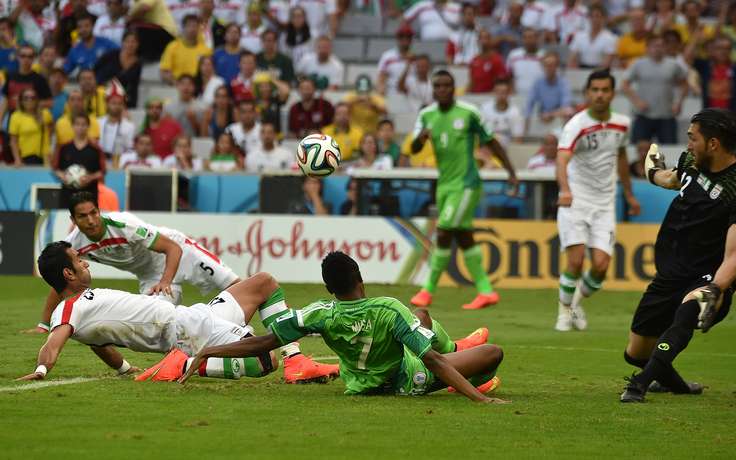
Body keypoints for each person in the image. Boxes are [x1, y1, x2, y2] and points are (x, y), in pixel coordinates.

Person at [180, 252, 507, 403]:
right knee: (491, 354)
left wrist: (210, 350)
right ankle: (460, 363)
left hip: (359, 384)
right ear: (360, 280)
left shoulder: (320, 313)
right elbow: (431, 362)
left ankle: (455, 350)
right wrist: (479, 400)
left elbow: (263, 342)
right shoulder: (387, 309)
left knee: (420, 317)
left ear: (329, 289)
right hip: (407, 379)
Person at [20, 239, 337, 384]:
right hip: (187, 332)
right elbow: (54, 340)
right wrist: (42, 369)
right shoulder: (69, 309)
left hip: (190, 316)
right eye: (79, 261)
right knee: (264, 360)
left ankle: (296, 362)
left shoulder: (83, 309)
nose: (85, 262)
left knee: (264, 283)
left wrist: (123, 369)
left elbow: (100, 344)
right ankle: (183, 363)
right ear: (68, 275)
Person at [620, 109, 736, 403]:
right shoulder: (691, 163)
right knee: (635, 353)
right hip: (671, 271)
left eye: (692, 138)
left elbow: (734, 257)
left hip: (708, 275)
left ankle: (639, 386)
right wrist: (651, 170)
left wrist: (715, 289)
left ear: (713, 143)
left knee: (688, 312)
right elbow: (671, 179)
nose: (687, 145)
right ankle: (677, 385)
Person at [410, 70, 518, 311]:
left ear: (453, 87)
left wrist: (510, 171)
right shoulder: (426, 115)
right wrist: (421, 138)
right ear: (433, 89)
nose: (442, 90)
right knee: (462, 236)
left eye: (447, 85)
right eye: (437, 86)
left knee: (444, 230)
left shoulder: (469, 113)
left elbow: (490, 141)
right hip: (445, 185)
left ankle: (427, 290)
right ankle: (486, 291)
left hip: (467, 184)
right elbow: (415, 148)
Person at [554, 69, 641, 332]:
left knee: (601, 266)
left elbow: (622, 157)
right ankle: (563, 313)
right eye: (595, 90)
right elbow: (561, 158)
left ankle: (574, 304)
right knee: (576, 261)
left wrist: (628, 194)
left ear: (613, 93)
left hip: (605, 203)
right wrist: (565, 190)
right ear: (587, 93)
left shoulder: (622, 123)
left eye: (605, 90)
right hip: (576, 200)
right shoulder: (576, 125)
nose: (600, 95)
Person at [622, 34, 688, 148]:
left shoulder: (673, 65)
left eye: (661, 45)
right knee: (636, 150)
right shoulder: (638, 64)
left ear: (665, 47)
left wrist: (678, 103)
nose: (658, 48)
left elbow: (685, 85)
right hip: (643, 115)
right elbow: (624, 84)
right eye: (654, 45)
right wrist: (637, 101)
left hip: (667, 115)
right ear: (647, 48)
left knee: (670, 152)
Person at [53, 113, 106, 207]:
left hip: (89, 195)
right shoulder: (64, 148)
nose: (80, 127)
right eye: (77, 124)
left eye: (83, 124)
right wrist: (63, 176)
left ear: (88, 126)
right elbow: (56, 169)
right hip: (67, 195)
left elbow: (102, 171)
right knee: (66, 220)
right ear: (72, 126)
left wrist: (90, 177)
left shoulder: (96, 149)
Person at [693, 35, 736, 114]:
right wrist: (695, 39)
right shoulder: (705, 66)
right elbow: (686, 59)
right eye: (719, 48)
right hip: (709, 118)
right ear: (713, 50)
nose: (723, 51)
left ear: (731, 50)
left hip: (731, 119)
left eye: (727, 48)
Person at [0, 45, 51, 128]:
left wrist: (29, 102)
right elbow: (6, 100)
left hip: (31, 123)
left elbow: (49, 103)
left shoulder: (39, 79)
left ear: (34, 59)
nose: (26, 59)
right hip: (12, 121)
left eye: (30, 56)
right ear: (17, 57)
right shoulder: (10, 76)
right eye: (23, 56)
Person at [523, 52, 573, 137]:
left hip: (558, 115)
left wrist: (550, 114)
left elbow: (566, 106)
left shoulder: (563, 82)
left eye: (552, 65)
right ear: (542, 66)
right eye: (546, 65)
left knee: (569, 111)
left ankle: (565, 138)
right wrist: (526, 124)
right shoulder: (537, 82)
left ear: (557, 67)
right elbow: (529, 104)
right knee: (523, 114)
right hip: (542, 114)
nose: (549, 68)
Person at [94, 30, 143, 108]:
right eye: (127, 41)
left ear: (138, 44)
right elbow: (95, 68)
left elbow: (134, 86)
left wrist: (133, 105)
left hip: (121, 99)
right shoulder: (111, 55)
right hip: (102, 92)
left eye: (133, 42)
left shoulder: (138, 63)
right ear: (122, 42)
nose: (130, 45)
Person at [159, 14, 212, 84]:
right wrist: (178, 85)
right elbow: (164, 72)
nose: (192, 29)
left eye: (195, 26)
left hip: (199, 88)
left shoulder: (206, 50)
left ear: (199, 29)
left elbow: (210, 73)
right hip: (176, 87)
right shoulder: (172, 47)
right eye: (189, 26)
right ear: (183, 28)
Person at [8, 87, 52, 166]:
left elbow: (50, 132)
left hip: (45, 158)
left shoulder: (45, 114)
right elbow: (13, 141)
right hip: (25, 157)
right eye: (26, 98)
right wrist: (17, 159)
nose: (29, 100)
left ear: (37, 100)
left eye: (33, 98)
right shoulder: (16, 116)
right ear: (21, 101)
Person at [97, 79, 135, 168]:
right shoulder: (97, 123)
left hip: (119, 163)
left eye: (119, 103)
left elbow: (129, 149)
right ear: (107, 104)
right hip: (99, 162)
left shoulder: (129, 126)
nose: (116, 106)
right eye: (113, 103)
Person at [567, 5, 617, 69]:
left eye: (597, 16)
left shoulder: (610, 38)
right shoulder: (579, 36)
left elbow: (607, 62)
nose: (594, 19)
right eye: (592, 16)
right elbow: (572, 58)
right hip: (581, 69)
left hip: (601, 72)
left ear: (604, 18)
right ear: (588, 18)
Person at [481, 79, 524, 144]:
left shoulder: (515, 112)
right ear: (494, 92)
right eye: (498, 92)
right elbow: (479, 133)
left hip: (508, 148)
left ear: (509, 93)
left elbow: (518, 138)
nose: (500, 95)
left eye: (503, 92)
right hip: (488, 147)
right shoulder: (485, 108)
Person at [376, 24, 414, 95]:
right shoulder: (387, 56)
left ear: (411, 39)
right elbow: (381, 78)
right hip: (392, 94)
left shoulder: (416, 58)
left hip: (411, 95)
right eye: (401, 36)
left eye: (408, 36)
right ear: (397, 38)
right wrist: (381, 92)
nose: (405, 39)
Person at [467, 30, 508, 94]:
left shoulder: (497, 60)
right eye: (481, 38)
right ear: (478, 41)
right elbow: (472, 81)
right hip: (475, 96)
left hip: (490, 96)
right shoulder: (474, 60)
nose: (484, 41)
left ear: (491, 40)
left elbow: (501, 82)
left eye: (486, 38)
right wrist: (466, 93)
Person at [506, 27, 543, 97]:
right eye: (525, 37)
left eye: (531, 37)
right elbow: (508, 76)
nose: (528, 40)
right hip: (517, 95)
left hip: (539, 96)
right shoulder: (513, 55)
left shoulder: (544, 57)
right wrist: (511, 90)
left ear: (537, 39)